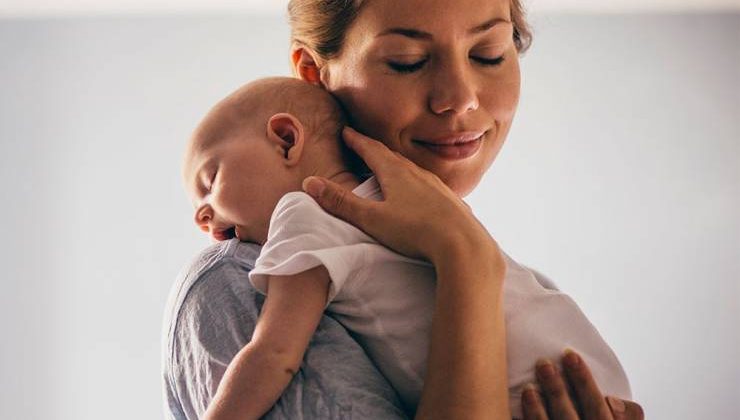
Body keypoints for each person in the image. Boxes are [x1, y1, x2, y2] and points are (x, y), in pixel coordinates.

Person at [163, 0, 645, 418]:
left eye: (489, 53)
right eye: (408, 61)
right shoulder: (234, 282)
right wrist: (465, 259)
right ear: (314, 74)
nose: (460, 99)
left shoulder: (525, 287)